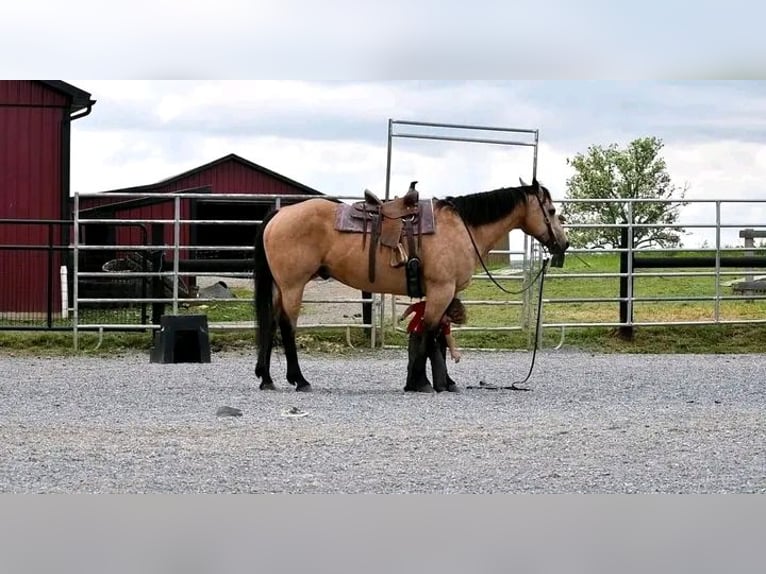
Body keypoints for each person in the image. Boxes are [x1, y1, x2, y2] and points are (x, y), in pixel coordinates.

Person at [399, 297, 466, 393]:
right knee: (415, 358)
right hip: (417, 334)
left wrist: (453, 351)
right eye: (448, 320)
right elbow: (412, 307)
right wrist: (403, 316)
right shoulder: (425, 307)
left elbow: (448, 335)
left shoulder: (444, 321)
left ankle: (441, 384)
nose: (448, 323)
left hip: (432, 335)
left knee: (438, 360)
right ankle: (413, 383)